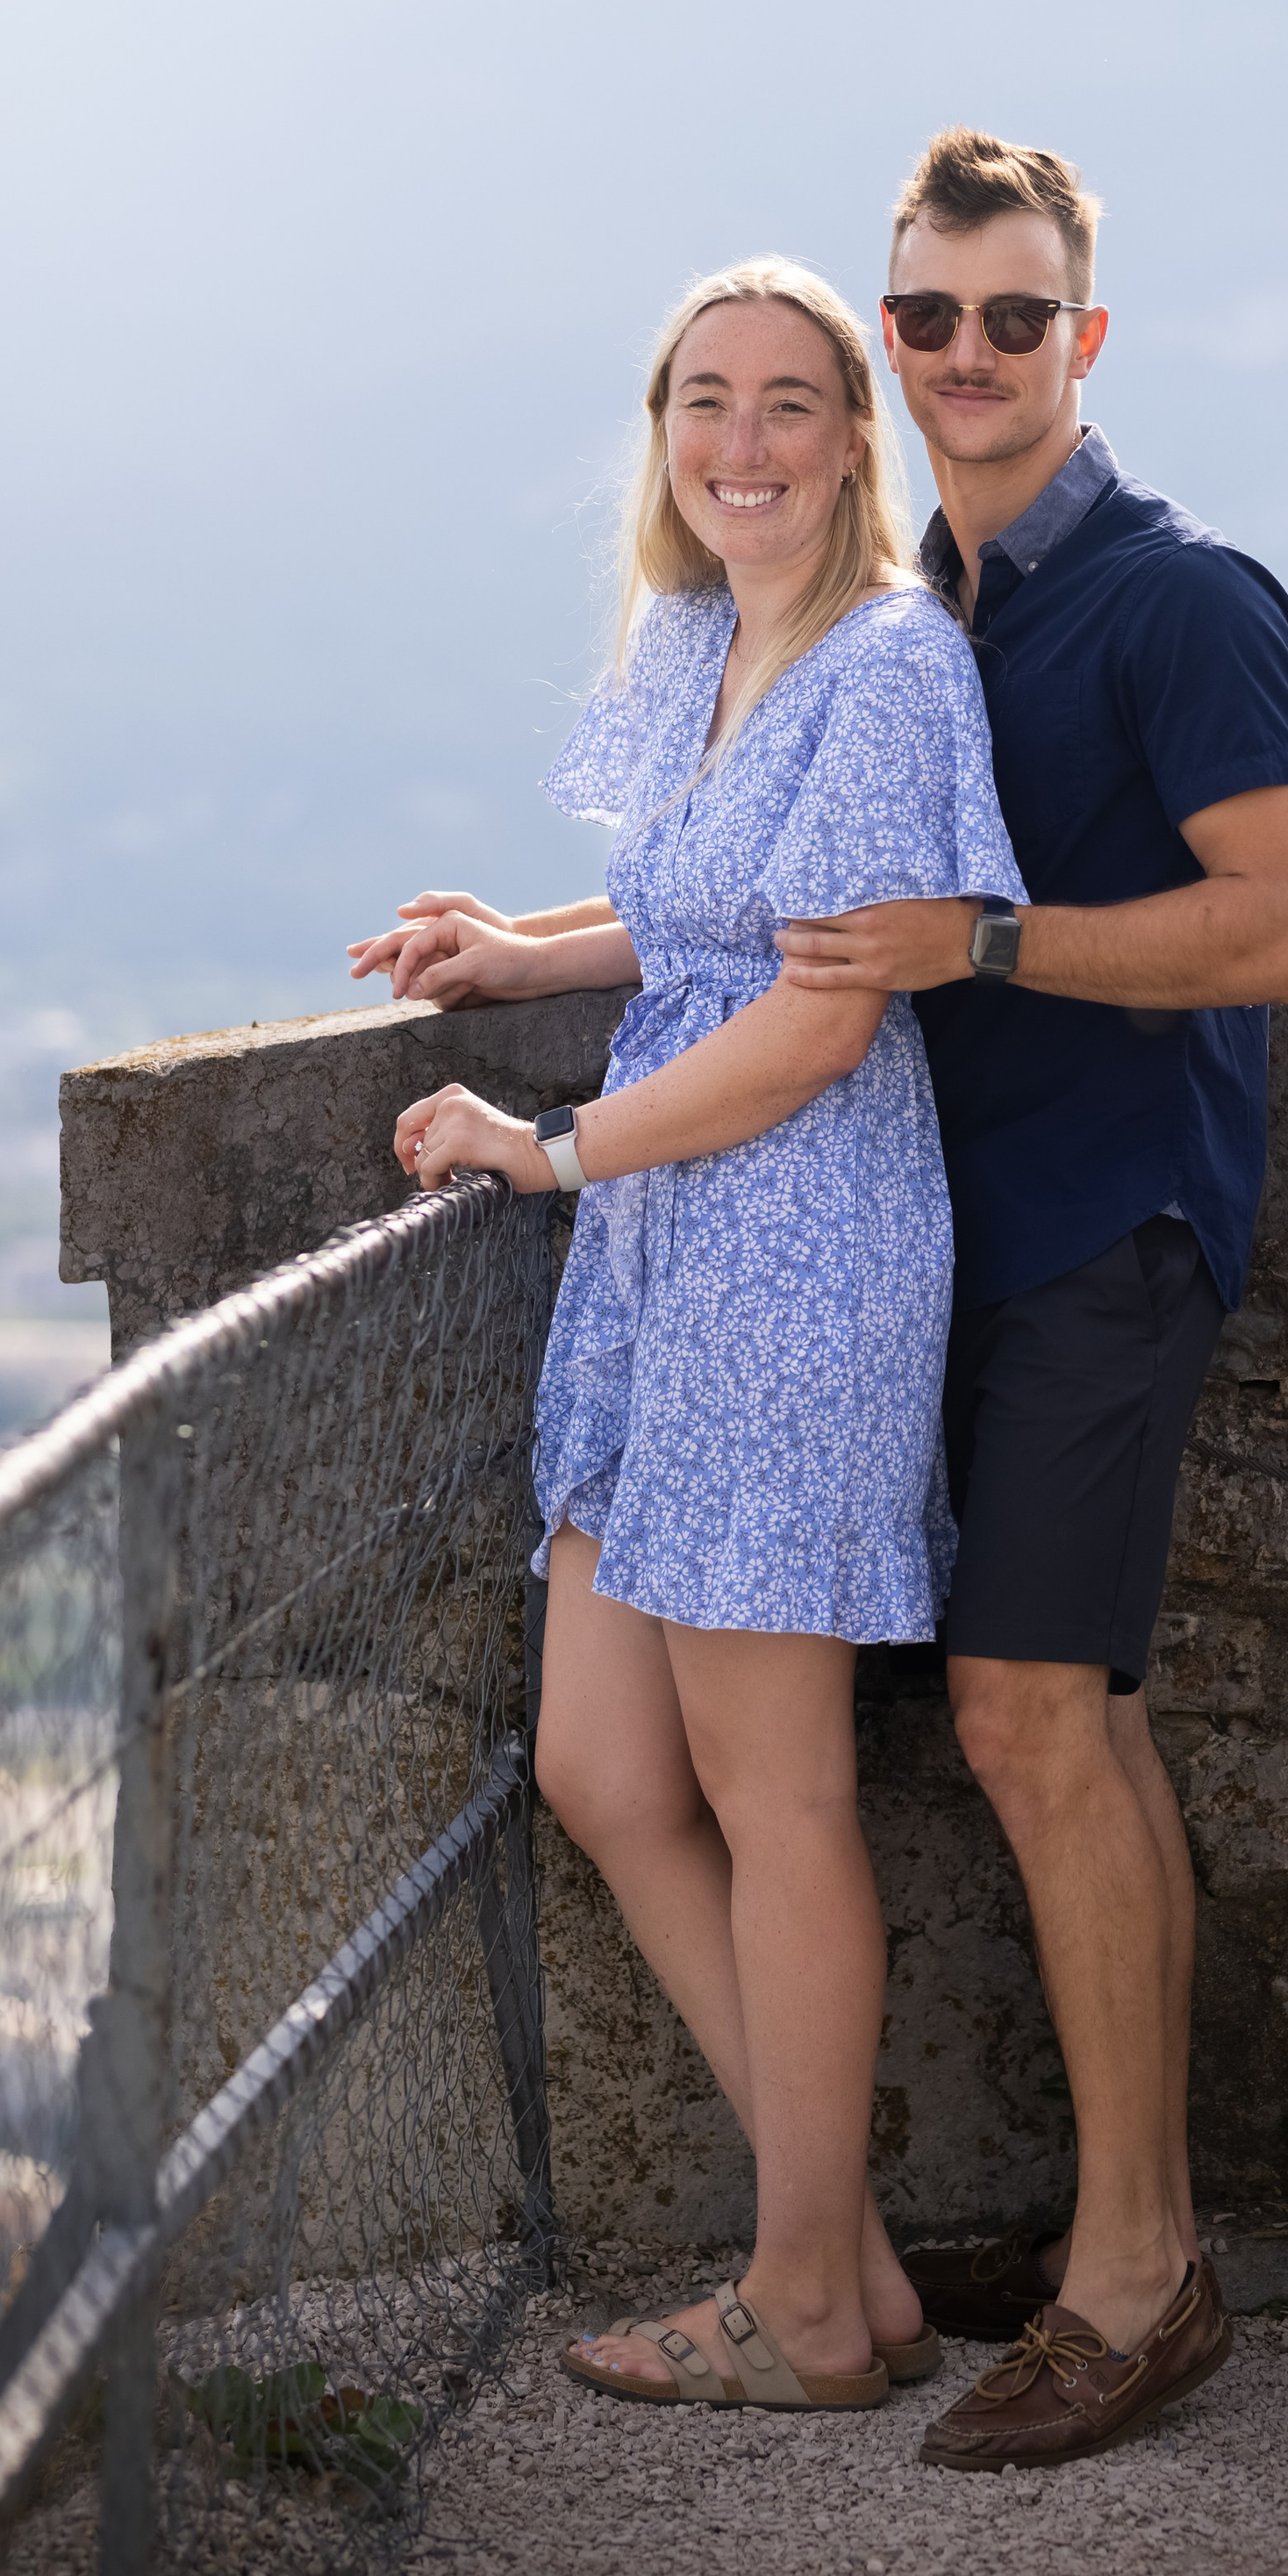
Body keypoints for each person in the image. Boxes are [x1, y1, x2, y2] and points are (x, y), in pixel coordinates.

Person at [348, 257, 1026, 2419]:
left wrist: (547, 1152)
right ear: (663, 433)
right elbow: (709, 903)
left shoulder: (894, 661)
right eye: (700, 400)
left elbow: (823, 1014)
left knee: (775, 1786)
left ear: (853, 440)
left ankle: (805, 2297)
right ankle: (845, 2269)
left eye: (790, 403)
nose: (740, 441)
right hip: (666, 1241)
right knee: (604, 1765)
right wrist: (514, 943)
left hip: (791, 1242)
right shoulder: (715, 637)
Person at [776, 129, 1288, 2472]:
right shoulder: (925, 599)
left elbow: (1285, 923)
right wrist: (521, 951)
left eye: (1015, 317)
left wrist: (989, 945)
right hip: (960, 1240)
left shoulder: (1183, 596)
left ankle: (1139, 2273)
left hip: (1115, 1223)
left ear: (1083, 341)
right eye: (927, 317)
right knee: (1058, 1716)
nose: (968, 355)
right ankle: (1133, 2229)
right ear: (891, 340)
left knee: (1028, 1715)